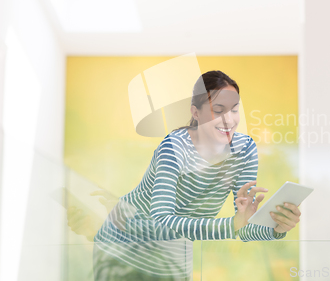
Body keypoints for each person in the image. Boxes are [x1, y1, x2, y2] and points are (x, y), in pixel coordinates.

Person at [91, 70, 302, 280]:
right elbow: (161, 222)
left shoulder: (244, 149)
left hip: (174, 250)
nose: (229, 120)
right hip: (123, 243)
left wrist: (276, 227)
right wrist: (232, 224)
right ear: (196, 112)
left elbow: (243, 228)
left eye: (235, 110)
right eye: (218, 110)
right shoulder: (174, 147)